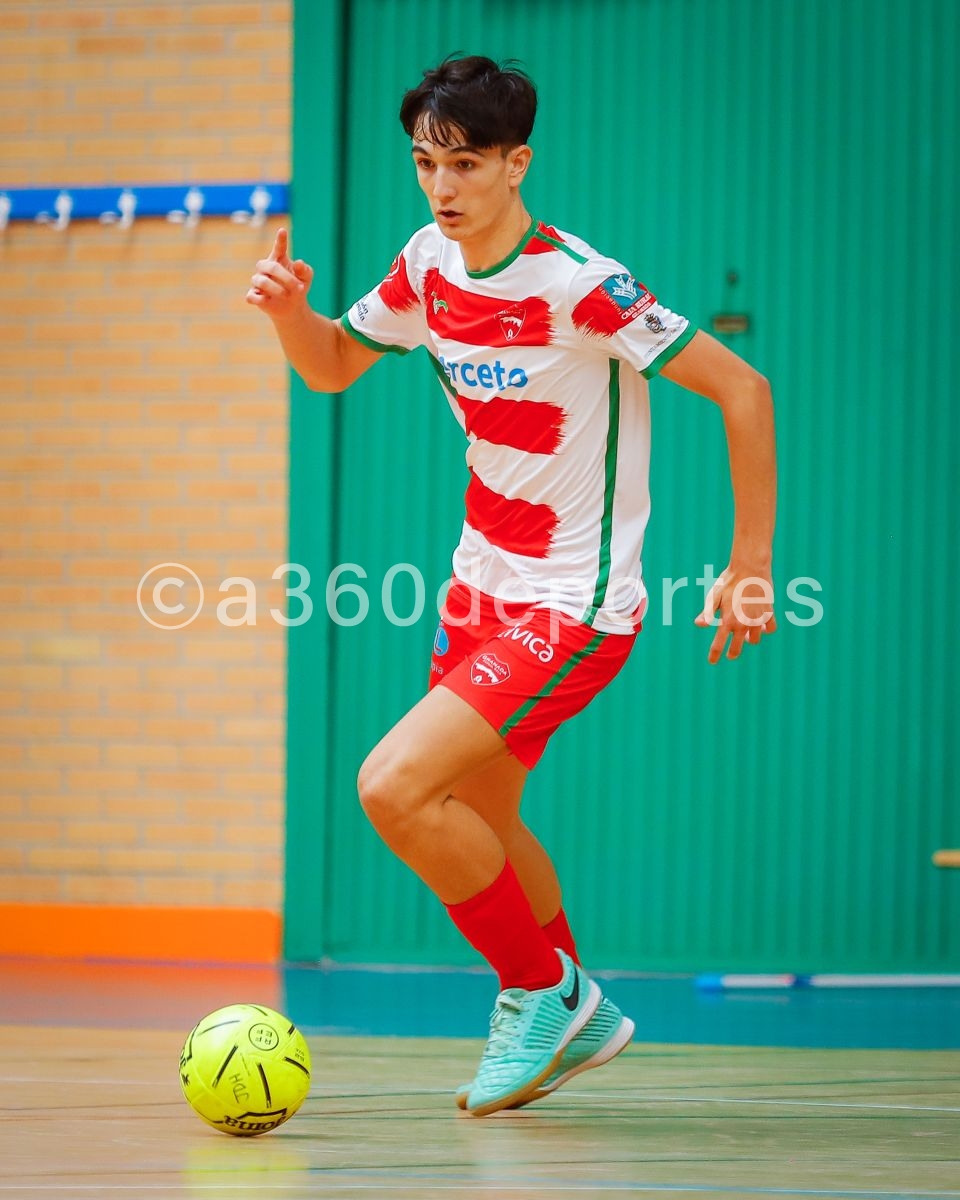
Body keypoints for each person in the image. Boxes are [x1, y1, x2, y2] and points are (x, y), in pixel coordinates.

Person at [247, 54, 777, 1117]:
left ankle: (542, 992)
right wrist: (286, 314)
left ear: (516, 162)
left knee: (392, 786)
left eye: (466, 164)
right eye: (424, 163)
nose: (442, 187)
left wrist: (750, 565)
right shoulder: (426, 264)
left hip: (572, 605)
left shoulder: (582, 282)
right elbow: (333, 367)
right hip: (475, 591)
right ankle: (577, 1009)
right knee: (484, 817)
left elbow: (743, 387)